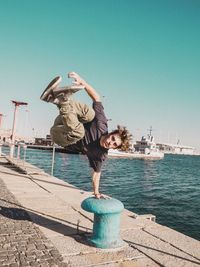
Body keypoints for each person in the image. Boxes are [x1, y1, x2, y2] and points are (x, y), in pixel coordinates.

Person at [41, 72, 132, 198]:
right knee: (90, 114)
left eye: (114, 144)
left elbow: (96, 174)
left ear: (114, 148)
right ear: (111, 133)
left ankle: (62, 100)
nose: (110, 142)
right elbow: (97, 98)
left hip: (60, 137)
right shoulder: (101, 124)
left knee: (79, 132)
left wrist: (96, 192)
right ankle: (56, 100)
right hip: (63, 121)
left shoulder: (100, 155)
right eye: (112, 138)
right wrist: (82, 81)